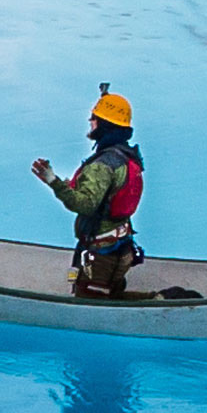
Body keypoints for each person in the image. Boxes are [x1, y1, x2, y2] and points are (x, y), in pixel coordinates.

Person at [31, 88, 146, 296]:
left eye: (95, 118)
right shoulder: (125, 157)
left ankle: (159, 300)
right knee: (111, 289)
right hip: (121, 244)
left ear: (104, 125)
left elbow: (85, 204)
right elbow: (106, 194)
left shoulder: (101, 165)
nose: (90, 121)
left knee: (93, 299)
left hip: (101, 253)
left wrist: (53, 181)